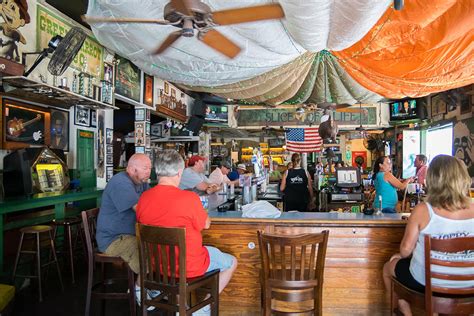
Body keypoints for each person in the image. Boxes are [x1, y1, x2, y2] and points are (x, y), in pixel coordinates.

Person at [136, 150, 238, 315]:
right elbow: (206, 224)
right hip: (189, 267)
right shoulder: (188, 198)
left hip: (157, 268)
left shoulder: (143, 198)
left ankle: (179, 306)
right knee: (232, 262)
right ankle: (202, 310)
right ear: (179, 172)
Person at [382, 155, 474, 316]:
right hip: (469, 284)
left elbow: (405, 251)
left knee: (389, 267)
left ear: (433, 179)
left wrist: (398, 256)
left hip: (427, 282)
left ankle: (405, 311)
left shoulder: (423, 210)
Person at [95, 153, 155, 308]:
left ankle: (149, 284)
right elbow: (141, 209)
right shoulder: (121, 182)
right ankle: (139, 289)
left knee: (156, 246)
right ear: (132, 169)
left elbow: (153, 199)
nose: (149, 171)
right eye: (145, 168)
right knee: (146, 251)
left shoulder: (141, 182)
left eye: (150, 167)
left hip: (130, 234)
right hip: (112, 239)